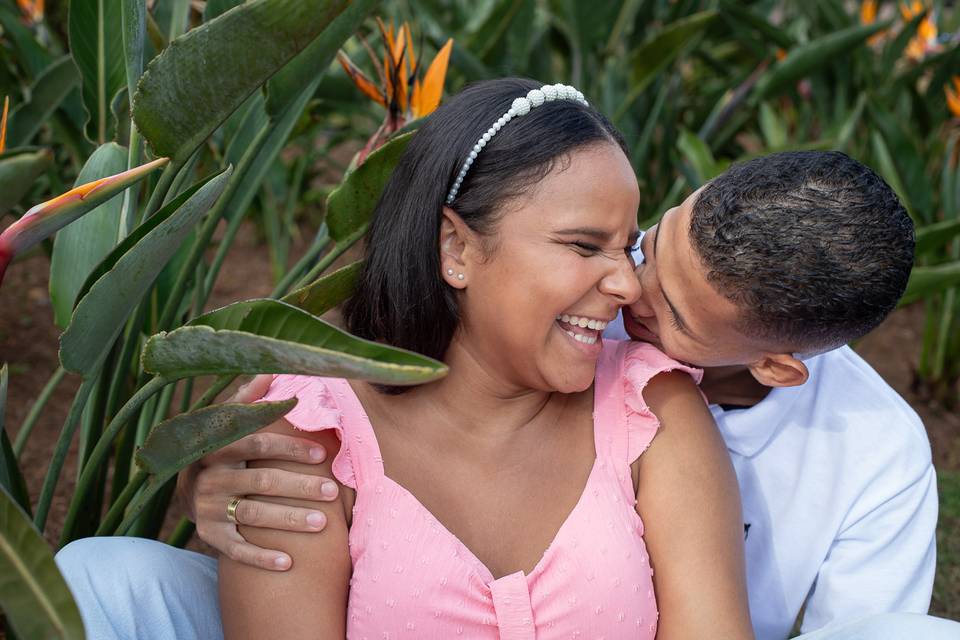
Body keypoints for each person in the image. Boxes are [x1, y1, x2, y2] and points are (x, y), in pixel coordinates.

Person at [58, 78, 754, 639]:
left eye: (626, 245)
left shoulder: (649, 409)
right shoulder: (309, 433)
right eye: (582, 245)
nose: (626, 284)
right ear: (456, 248)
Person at [168, 151, 953, 639]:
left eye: (673, 314)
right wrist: (212, 466)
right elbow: (409, 309)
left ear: (777, 366)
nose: (626, 287)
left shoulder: (876, 456)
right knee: (111, 575)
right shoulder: (579, 304)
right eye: (652, 243)